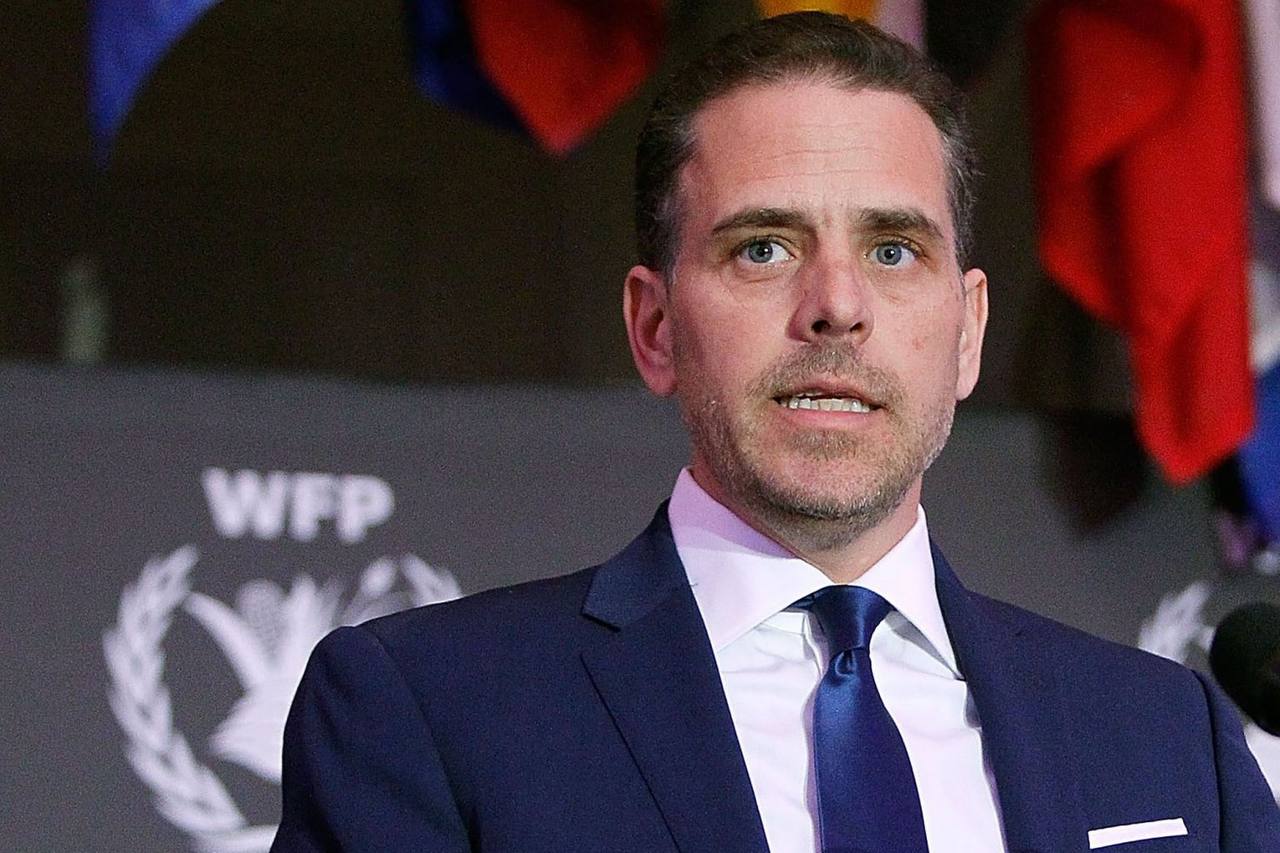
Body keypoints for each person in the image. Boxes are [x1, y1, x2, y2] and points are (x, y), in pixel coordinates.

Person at [271, 12, 1280, 852]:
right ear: (654, 328)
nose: (836, 305)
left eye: (892, 249)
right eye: (763, 247)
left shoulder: (1167, 735)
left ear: (967, 331)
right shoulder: (429, 711)